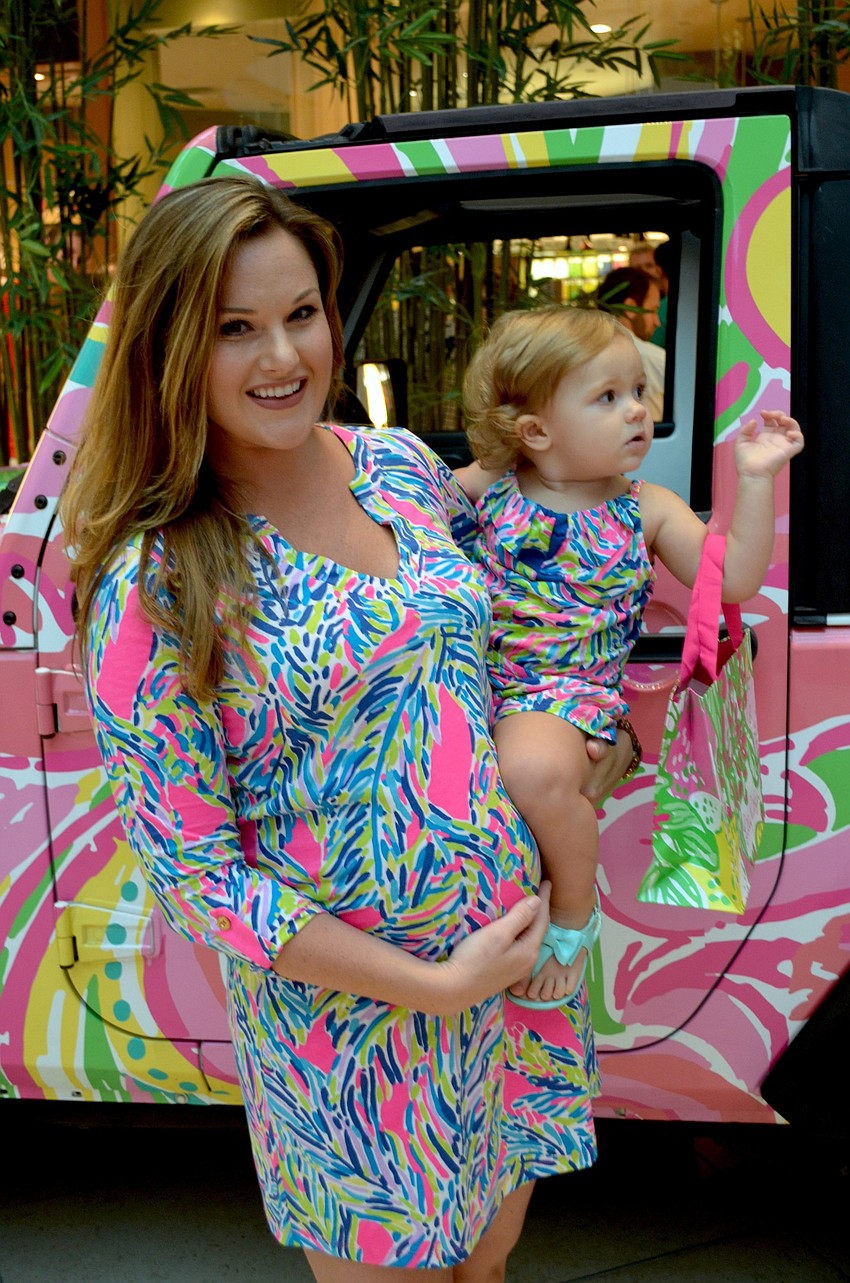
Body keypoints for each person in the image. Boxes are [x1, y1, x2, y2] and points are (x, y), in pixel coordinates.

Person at [59, 176, 634, 1282]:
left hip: (508, 983)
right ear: (171, 345)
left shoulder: (400, 469)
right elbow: (198, 876)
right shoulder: (159, 578)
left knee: (488, 1265)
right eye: (235, 328)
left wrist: (589, 735)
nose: (282, 355)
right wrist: (435, 983)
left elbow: (508, 629)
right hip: (355, 1032)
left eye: (301, 313)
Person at [455, 305, 804, 1008]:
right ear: (535, 430)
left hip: (566, 692)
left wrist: (758, 477)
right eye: (608, 398)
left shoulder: (646, 507)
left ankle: (575, 913)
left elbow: (731, 576)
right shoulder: (485, 489)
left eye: (638, 393)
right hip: (477, 682)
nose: (637, 413)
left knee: (530, 767)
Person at [596, 266, 665, 420]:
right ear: (631, 307)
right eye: (653, 310)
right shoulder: (655, 359)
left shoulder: (582, 354)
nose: (657, 322)